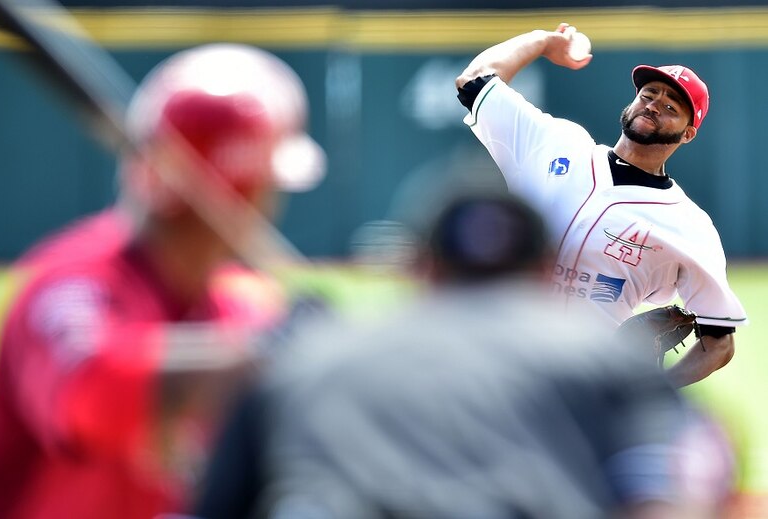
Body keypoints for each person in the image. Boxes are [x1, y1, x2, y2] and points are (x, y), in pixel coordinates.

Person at [193, 191, 735, 519]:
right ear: (547, 272)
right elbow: (684, 483)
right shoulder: (598, 365)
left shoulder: (313, 362)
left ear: (419, 268)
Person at [0, 43, 324, 519]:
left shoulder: (239, 307)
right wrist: (272, 354)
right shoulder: (71, 280)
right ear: (244, 186)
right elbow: (90, 394)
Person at [454, 23, 747, 387]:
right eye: (648, 94)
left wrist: (652, 391)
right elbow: (474, 81)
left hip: (578, 382)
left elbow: (720, 343)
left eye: (671, 106)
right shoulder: (557, 143)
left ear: (688, 133)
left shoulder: (689, 225)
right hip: (489, 355)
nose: (654, 105)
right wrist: (545, 40)